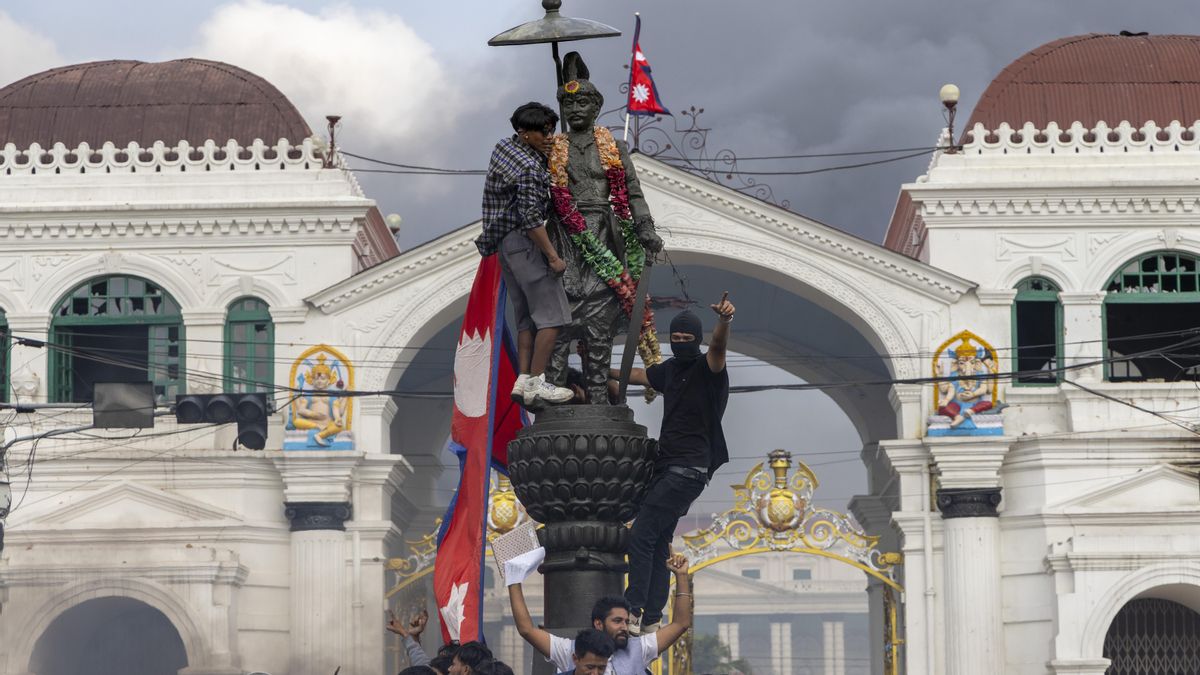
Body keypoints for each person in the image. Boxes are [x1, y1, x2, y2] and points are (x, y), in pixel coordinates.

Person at [620, 293, 734, 633]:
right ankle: (653, 618)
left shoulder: (707, 368)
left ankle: (634, 610)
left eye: (688, 340)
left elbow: (717, 349)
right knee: (655, 542)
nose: (682, 343)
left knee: (639, 535)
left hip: (687, 470)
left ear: (698, 341)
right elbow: (639, 375)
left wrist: (724, 322)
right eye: (677, 339)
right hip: (670, 469)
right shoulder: (670, 371)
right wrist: (593, 371)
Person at [477, 101, 574, 407]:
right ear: (523, 133)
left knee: (526, 320)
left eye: (551, 130)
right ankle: (537, 382)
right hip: (525, 241)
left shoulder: (504, 147)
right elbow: (531, 217)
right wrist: (553, 256)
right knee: (553, 318)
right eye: (542, 132)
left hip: (504, 245)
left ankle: (522, 379)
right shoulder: (530, 168)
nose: (549, 137)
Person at [507, 552, 694, 675]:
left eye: (626, 621)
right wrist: (514, 579)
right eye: (617, 621)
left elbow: (680, 624)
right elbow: (526, 630)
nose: (624, 627)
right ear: (599, 624)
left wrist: (681, 576)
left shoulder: (639, 648)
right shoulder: (570, 649)